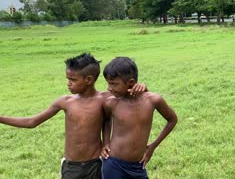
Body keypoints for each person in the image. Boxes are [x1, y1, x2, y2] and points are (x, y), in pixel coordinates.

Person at [0, 53, 147, 179]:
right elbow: (32, 121)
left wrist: (142, 87)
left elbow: (132, 99)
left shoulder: (106, 98)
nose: (68, 84)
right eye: (68, 79)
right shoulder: (65, 102)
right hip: (72, 167)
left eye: (73, 80)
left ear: (89, 80)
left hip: (97, 164)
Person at [100, 57, 177, 179]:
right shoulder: (111, 103)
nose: (109, 88)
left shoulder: (153, 100)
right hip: (113, 163)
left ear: (130, 82)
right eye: (108, 83)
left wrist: (153, 146)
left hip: (137, 166)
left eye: (114, 84)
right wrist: (105, 142)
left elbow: (172, 120)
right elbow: (106, 120)